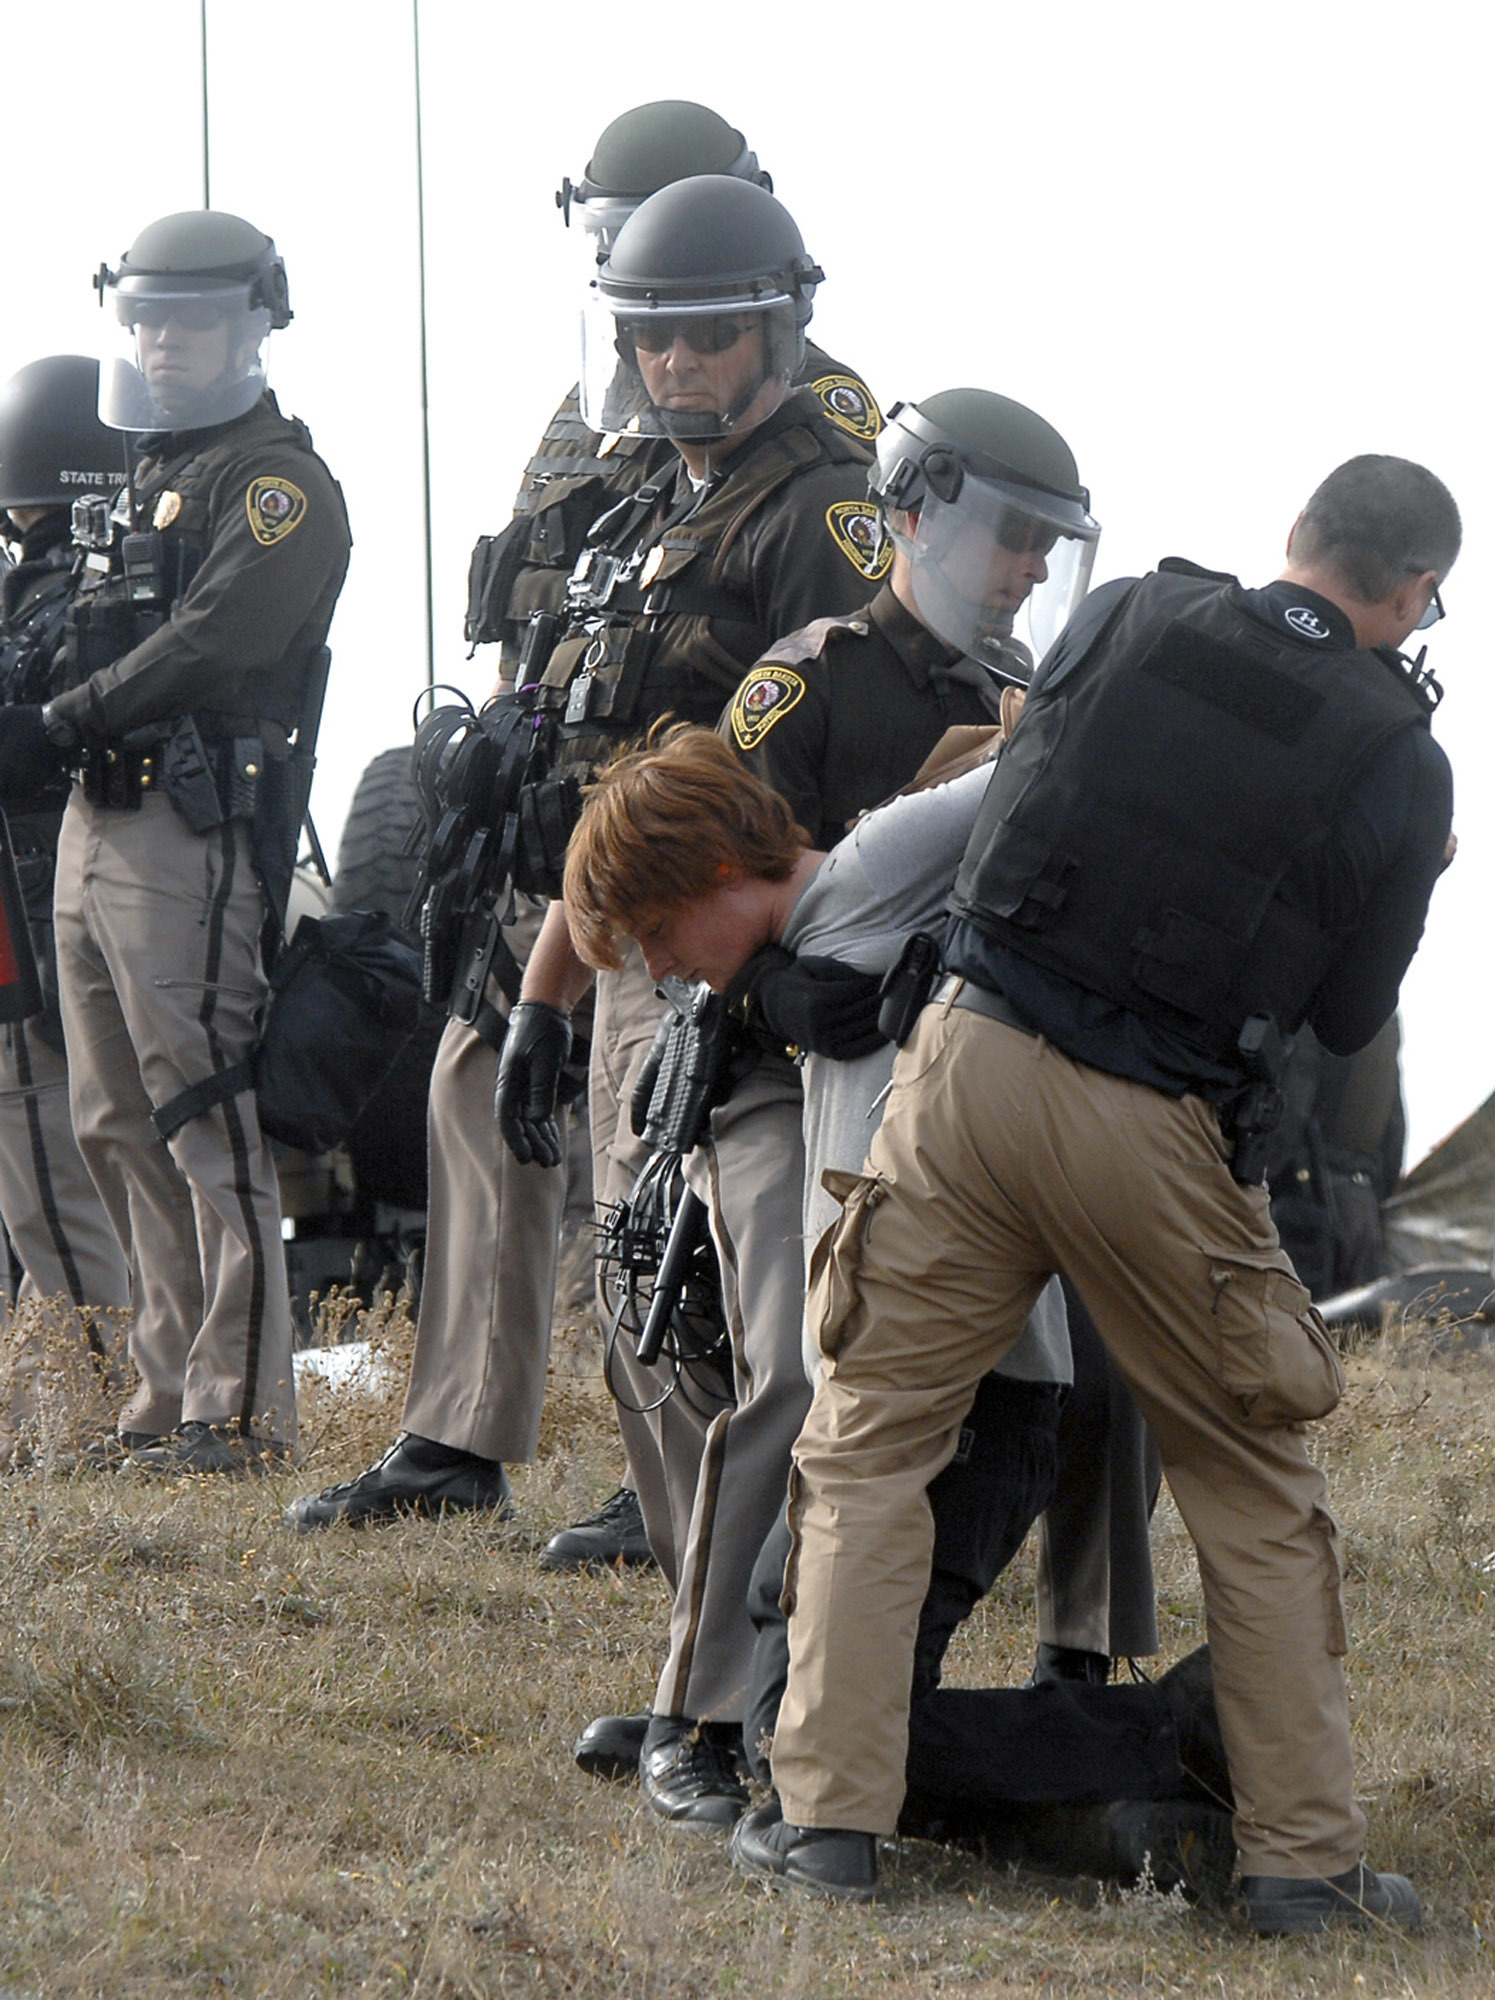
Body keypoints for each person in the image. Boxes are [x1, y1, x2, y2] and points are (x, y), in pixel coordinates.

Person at [737, 455, 1458, 1933]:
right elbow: (1342, 1017)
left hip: (965, 1062)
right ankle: (1301, 1866)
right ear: (1410, 596)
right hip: (1154, 1119)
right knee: (1251, 1493)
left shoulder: (1127, 612)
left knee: (870, 1446)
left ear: (1290, 543)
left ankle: (822, 1825)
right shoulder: (1397, 748)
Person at [285, 106, 880, 1554]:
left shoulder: (816, 450)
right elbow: (560, 599)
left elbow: (827, 699)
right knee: (478, 1094)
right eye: (635, 303)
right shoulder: (614, 414)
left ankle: (672, 1466)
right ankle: (458, 1429)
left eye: (698, 325)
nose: (668, 351)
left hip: (680, 877)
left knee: (656, 1165)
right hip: (560, 845)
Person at [726, 386, 1160, 1687]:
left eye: (1046, 545)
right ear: (914, 517)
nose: (1028, 569)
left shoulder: (1052, 697)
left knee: (1103, 1367)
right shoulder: (804, 686)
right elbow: (701, 888)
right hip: (820, 1086)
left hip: (1001, 1078)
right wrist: (765, 996)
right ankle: (723, 1701)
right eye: (1009, 536)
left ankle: (1077, 1660)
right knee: (805, 1391)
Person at [0, 212, 351, 1474]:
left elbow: (214, 643)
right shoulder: (153, 473)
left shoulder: (276, 484)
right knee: (111, 1119)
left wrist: (54, 722)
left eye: (190, 318)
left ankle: (240, 1409)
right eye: (145, 316)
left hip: (184, 826)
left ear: (253, 321)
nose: (161, 339)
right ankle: (162, 1398)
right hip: (99, 816)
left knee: (202, 1107)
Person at [0, 356, 132, 1457]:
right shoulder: (75, 584)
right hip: (44, 901)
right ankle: (57, 1410)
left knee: (46, 1164)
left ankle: (87, 1415)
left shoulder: (67, 596)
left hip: (31, 907)